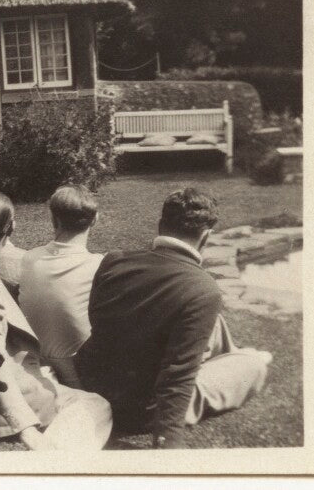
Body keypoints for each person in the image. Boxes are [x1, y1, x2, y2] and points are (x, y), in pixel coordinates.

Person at [74, 188, 271, 449]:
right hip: (139, 409)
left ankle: (231, 355)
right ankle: (240, 358)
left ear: (160, 225)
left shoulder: (114, 260)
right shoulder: (202, 287)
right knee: (255, 365)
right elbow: (178, 377)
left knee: (215, 323)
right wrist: (167, 443)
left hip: (93, 386)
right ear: (206, 237)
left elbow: (97, 321)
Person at [0, 188, 112, 451]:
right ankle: (58, 459)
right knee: (95, 404)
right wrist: (25, 428)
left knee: (46, 374)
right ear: (11, 227)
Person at [19, 185, 103, 387]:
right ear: (95, 219)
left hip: (34, 360)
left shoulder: (29, 258)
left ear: (53, 219)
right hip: (77, 371)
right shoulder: (98, 265)